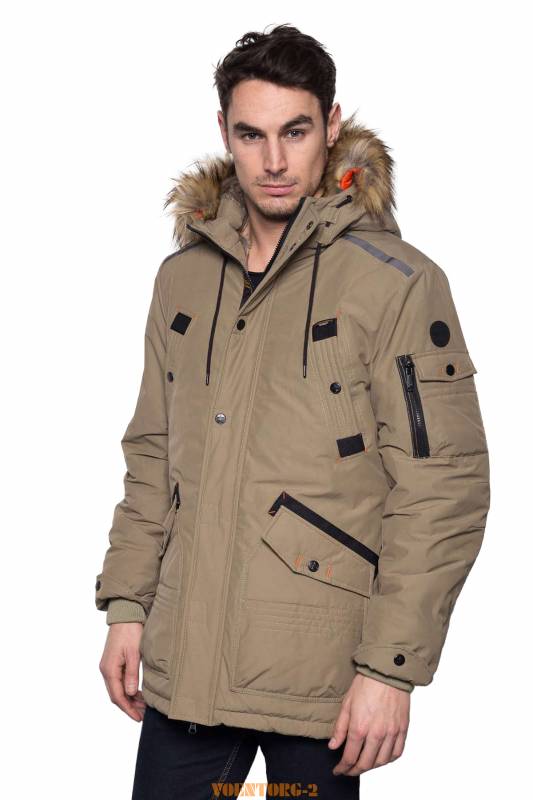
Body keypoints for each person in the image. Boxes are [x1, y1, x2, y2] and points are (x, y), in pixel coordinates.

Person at [95, 23, 491, 800]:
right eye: (251, 134)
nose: (273, 161)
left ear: (331, 125)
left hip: (322, 680)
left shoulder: (395, 283)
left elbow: (443, 485)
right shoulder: (182, 279)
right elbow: (152, 455)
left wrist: (390, 668)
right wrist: (127, 604)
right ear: (223, 132)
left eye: (295, 131)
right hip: (186, 664)